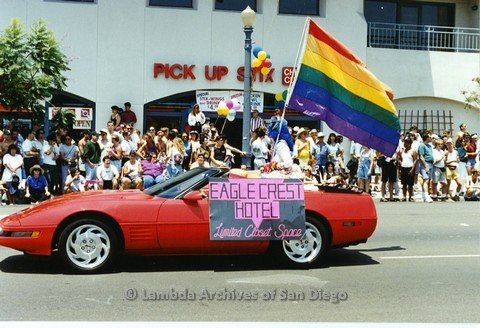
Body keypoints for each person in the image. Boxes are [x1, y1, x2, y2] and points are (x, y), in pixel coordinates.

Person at [417, 133, 434, 203]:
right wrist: (425, 166)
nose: (431, 139)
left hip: (431, 163)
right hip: (425, 163)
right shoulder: (421, 145)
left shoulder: (429, 146)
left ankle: (424, 195)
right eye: (430, 137)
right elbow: (421, 156)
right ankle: (427, 196)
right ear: (426, 138)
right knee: (426, 180)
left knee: (429, 180)